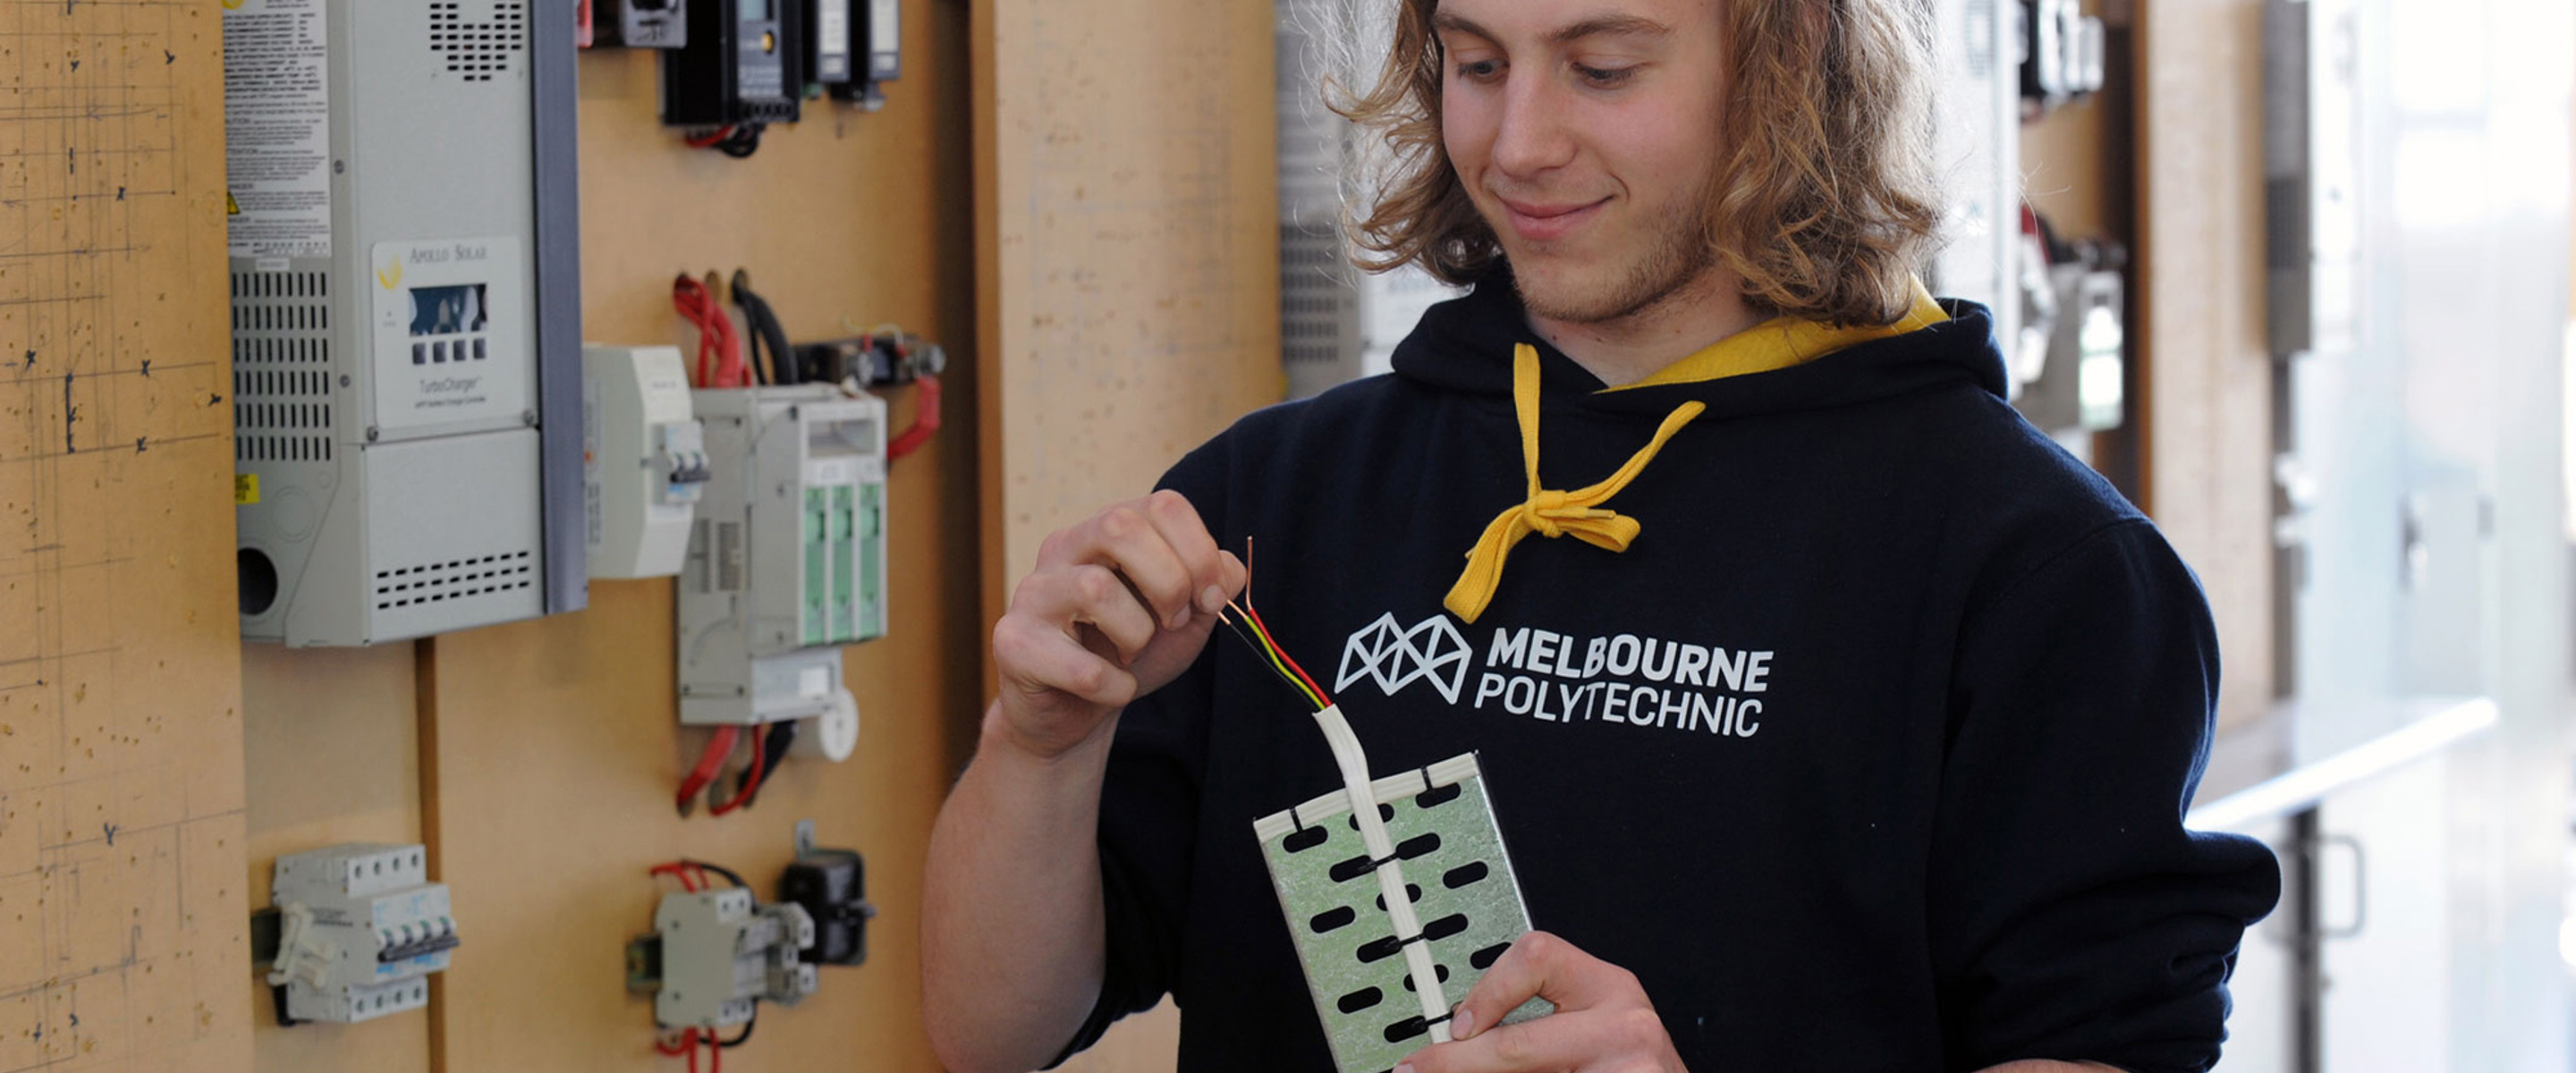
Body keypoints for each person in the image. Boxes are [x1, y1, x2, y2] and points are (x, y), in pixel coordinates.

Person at [923, 0, 2282, 1070]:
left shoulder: (2033, 568)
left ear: (1789, 51)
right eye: (1474, 61)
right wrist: (1038, 744)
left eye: (1604, 67)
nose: (1517, 145)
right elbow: (990, 1034)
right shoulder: (1278, 499)